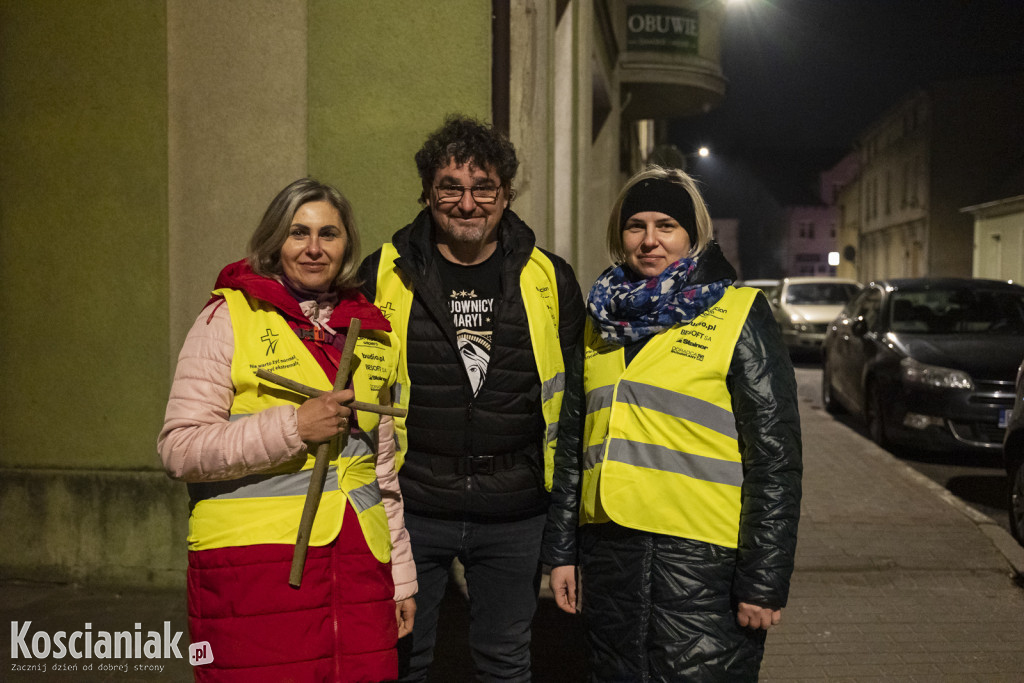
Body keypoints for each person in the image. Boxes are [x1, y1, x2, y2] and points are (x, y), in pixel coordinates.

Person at [545, 166, 802, 682]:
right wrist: (561, 553)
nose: (649, 240)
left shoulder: (739, 312)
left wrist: (763, 579)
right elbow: (574, 447)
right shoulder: (599, 323)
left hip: (704, 566)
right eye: (635, 226)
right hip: (610, 558)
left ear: (692, 234)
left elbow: (775, 459)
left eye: (666, 225)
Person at [158, 178, 416, 682]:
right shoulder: (228, 319)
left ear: (347, 245)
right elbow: (179, 448)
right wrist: (294, 428)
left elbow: (381, 473)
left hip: (359, 574)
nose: (314, 248)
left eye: (329, 234)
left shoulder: (371, 333)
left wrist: (401, 577)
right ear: (275, 239)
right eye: (299, 232)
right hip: (254, 574)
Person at [359, 114, 586, 682]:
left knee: (505, 664)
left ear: (506, 194)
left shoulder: (549, 277)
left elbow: (573, 408)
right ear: (427, 193)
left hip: (515, 511)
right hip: (412, 507)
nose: (467, 203)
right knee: (402, 660)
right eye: (450, 188)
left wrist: (563, 532)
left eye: (483, 188)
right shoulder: (383, 273)